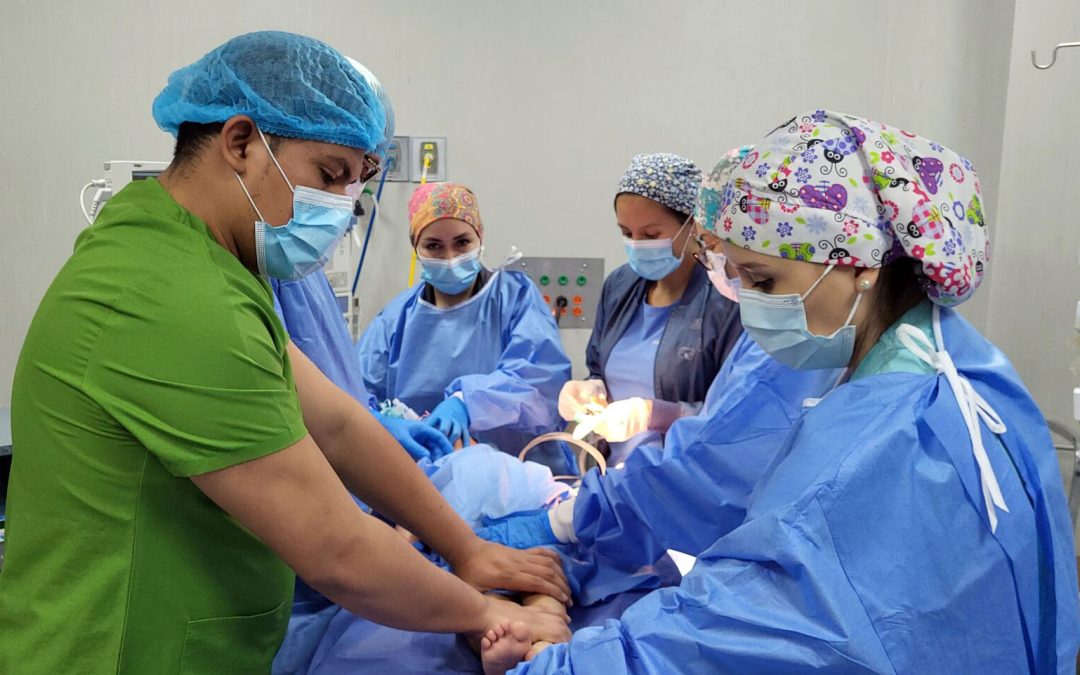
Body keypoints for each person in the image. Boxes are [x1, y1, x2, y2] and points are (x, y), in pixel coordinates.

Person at [0, 32, 571, 674]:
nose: (341, 207)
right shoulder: (171, 298)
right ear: (241, 143)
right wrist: (488, 611)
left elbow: (337, 423)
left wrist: (465, 548)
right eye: (329, 175)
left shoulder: (197, 262)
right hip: (120, 648)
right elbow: (339, 552)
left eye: (357, 184)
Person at [482, 110, 1080, 674]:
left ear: (860, 263)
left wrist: (573, 660)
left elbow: (757, 623)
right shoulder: (944, 357)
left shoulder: (899, 440)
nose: (750, 306)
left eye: (763, 280)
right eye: (735, 278)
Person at [356, 182, 572, 464]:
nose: (450, 258)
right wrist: (388, 425)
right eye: (434, 246)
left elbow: (541, 382)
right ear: (415, 247)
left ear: (480, 237)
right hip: (429, 478)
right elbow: (355, 395)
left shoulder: (515, 298)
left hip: (520, 475)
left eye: (462, 243)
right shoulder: (395, 321)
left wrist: (466, 401)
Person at [558, 153, 742, 464]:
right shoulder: (620, 286)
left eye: (651, 234)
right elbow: (599, 368)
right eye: (626, 233)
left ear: (691, 224)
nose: (637, 244)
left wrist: (658, 415)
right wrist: (590, 389)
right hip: (614, 475)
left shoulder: (726, 297)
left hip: (685, 478)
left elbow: (738, 415)